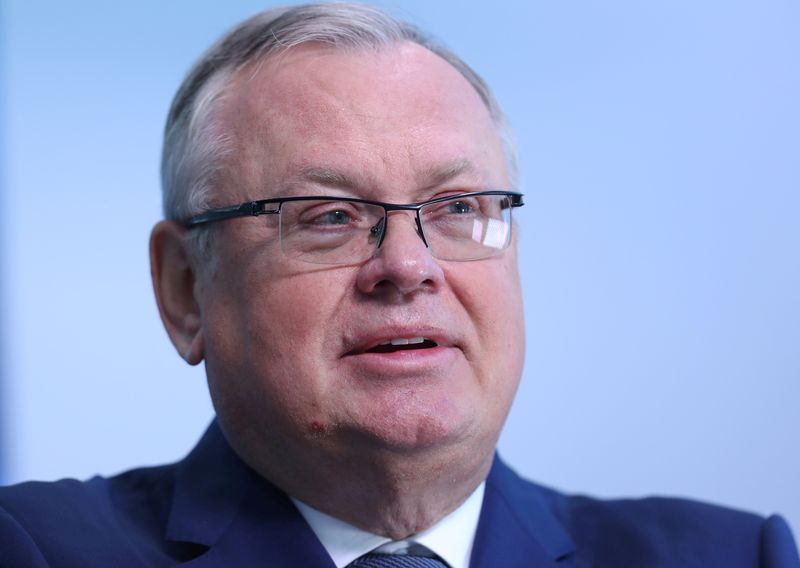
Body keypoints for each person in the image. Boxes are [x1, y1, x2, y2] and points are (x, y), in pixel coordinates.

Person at [0, 3, 798, 567]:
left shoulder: (737, 556)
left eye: (457, 208)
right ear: (183, 290)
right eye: (326, 216)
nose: (408, 266)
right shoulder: (34, 549)